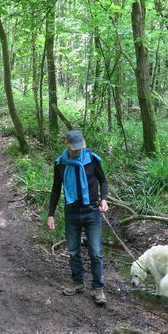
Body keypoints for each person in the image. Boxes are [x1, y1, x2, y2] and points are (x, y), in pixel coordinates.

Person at [46, 130, 109, 305]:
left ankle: (98, 289)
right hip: (71, 211)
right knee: (73, 251)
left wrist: (104, 199)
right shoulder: (60, 164)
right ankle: (78, 283)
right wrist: (50, 214)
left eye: (80, 148)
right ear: (66, 143)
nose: (77, 151)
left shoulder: (92, 159)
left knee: (95, 253)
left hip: (92, 211)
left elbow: (103, 181)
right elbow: (55, 189)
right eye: (74, 149)